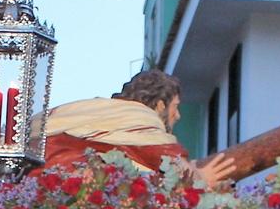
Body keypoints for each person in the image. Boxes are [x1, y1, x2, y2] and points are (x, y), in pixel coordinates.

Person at [41, 70, 237, 186]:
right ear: (160, 105)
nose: (178, 116)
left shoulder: (104, 111)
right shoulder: (140, 118)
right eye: (175, 107)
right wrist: (201, 177)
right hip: (67, 183)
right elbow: (169, 161)